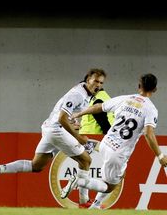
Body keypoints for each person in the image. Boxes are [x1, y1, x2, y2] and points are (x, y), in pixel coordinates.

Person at [0, 68, 107, 207]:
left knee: (36, 165)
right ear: (88, 80)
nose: (98, 85)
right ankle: (84, 202)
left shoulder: (86, 93)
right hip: (56, 129)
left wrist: (73, 123)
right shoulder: (77, 94)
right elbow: (62, 118)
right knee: (86, 160)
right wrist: (79, 138)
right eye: (95, 81)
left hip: (50, 128)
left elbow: (66, 115)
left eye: (101, 82)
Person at [61, 73, 167, 209]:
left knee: (121, 174)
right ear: (155, 90)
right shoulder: (151, 109)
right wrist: (160, 155)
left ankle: (96, 206)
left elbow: (99, 107)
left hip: (106, 143)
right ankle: (80, 181)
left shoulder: (125, 99)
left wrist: (78, 113)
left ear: (139, 85)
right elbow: (148, 133)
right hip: (119, 152)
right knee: (109, 187)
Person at [77, 87, 114, 208]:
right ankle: (86, 201)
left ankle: (84, 201)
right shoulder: (100, 97)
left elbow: (103, 121)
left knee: (85, 166)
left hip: (94, 137)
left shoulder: (98, 99)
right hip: (94, 138)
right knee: (86, 166)